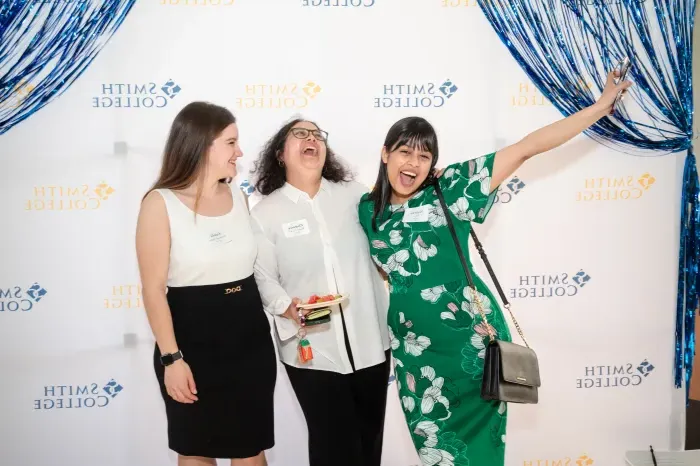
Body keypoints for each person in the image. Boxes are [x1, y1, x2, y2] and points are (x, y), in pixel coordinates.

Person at [357, 70, 632, 466]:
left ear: (434, 161)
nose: (413, 163)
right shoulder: (369, 210)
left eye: (424, 154)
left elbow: (526, 148)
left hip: (469, 341)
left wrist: (598, 108)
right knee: (434, 449)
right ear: (385, 153)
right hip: (415, 353)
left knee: (480, 451)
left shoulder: (450, 186)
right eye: (404, 151)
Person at [135, 101, 276, 466]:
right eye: (231, 142)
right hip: (190, 349)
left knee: (251, 448)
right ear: (202, 145)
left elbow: (257, 270)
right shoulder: (159, 203)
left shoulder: (240, 197)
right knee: (196, 448)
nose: (239, 151)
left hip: (250, 344)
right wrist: (172, 359)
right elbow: (153, 290)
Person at [249, 118, 392, 466]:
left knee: (369, 442)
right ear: (281, 154)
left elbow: (392, 232)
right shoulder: (265, 213)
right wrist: (286, 306)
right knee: (333, 448)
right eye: (300, 134)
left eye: (317, 135)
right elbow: (263, 275)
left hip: (371, 344)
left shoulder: (355, 195)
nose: (311, 138)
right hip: (310, 350)